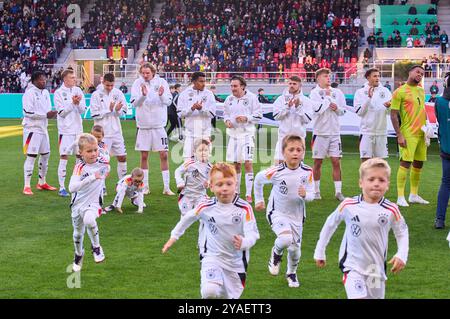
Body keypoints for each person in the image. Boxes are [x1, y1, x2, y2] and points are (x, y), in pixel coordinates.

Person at [314, 158, 409, 299]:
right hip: (352, 266)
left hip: (375, 269)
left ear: (388, 184)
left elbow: (402, 232)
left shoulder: (391, 209)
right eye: (371, 179)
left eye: (381, 180)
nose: (376, 183)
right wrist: (320, 251)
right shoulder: (348, 205)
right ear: (361, 183)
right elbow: (330, 223)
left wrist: (402, 254)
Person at [162, 163, 260, 299]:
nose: (224, 188)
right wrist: (174, 236)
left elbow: (253, 234)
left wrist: (244, 242)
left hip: (236, 263)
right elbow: (188, 218)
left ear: (236, 185)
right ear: (211, 186)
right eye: (219, 185)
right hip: (212, 256)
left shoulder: (244, 208)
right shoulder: (206, 206)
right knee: (210, 292)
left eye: (229, 184)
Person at [254, 135, 314, 288]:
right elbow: (258, 179)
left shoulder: (307, 172)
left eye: (299, 150)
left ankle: (291, 273)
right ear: (283, 152)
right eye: (291, 149)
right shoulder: (276, 171)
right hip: (277, 213)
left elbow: (312, 194)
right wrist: (259, 200)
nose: (295, 153)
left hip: (297, 216)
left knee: (295, 250)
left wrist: (305, 195)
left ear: (303, 152)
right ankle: (276, 253)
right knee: (286, 239)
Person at [130, 63, 174, 196]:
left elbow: (168, 101)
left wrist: (161, 95)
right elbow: (134, 103)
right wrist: (143, 95)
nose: (145, 75)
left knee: (164, 155)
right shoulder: (137, 83)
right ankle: (146, 186)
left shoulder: (162, 82)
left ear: (153, 72)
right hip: (143, 126)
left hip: (159, 125)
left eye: (147, 73)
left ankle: (166, 187)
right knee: (144, 156)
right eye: (143, 73)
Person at [69, 133, 110, 272]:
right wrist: (92, 177)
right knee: (77, 234)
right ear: (80, 153)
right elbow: (72, 188)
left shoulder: (103, 160)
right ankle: (78, 254)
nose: (93, 153)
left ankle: (97, 247)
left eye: (95, 150)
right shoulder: (79, 167)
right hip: (77, 204)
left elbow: (107, 166)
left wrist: (103, 173)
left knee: (89, 220)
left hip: (94, 202)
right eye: (89, 151)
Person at [390, 65, 429, 207]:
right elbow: (393, 114)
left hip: (422, 133)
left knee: (419, 163)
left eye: (422, 74)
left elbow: (422, 109)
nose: (420, 75)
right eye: (418, 72)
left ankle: (413, 194)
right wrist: (399, 135)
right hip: (408, 133)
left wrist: (427, 128)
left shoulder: (421, 90)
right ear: (410, 72)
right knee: (405, 163)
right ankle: (400, 196)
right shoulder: (399, 92)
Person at [309, 68, 346, 201]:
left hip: (335, 133)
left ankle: (338, 192)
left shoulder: (338, 92)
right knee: (318, 162)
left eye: (329, 76)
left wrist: (338, 109)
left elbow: (343, 111)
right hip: (320, 133)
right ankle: (316, 191)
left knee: (336, 161)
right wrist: (328, 97)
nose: (328, 78)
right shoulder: (314, 93)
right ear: (318, 78)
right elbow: (317, 109)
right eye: (325, 76)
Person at [223, 75, 262, 203]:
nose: (233, 88)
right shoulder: (228, 99)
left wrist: (246, 118)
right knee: (236, 165)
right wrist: (227, 121)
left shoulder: (252, 98)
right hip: (233, 135)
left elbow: (258, 115)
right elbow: (225, 114)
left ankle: (248, 194)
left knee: (248, 162)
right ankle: (237, 191)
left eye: (235, 86)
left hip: (247, 135)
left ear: (242, 86)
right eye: (231, 86)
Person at [22, 71, 58, 195]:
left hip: (43, 128)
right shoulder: (29, 93)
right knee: (31, 156)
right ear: (34, 81)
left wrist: (52, 114)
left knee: (46, 155)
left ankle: (42, 182)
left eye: (44, 79)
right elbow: (27, 112)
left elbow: (47, 110)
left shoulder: (46, 93)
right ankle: (26, 185)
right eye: (41, 80)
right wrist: (45, 115)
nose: (44, 81)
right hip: (31, 129)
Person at [90, 73, 128, 183]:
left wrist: (117, 110)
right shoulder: (96, 95)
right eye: (107, 85)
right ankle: (101, 185)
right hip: (101, 134)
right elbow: (94, 114)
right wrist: (109, 110)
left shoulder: (118, 93)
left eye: (112, 85)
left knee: (122, 157)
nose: (110, 87)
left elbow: (124, 111)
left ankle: (122, 184)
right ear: (103, 82)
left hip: (116, 132)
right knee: (101, 160)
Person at [54, 69, 86, 197]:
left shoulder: (78, 90)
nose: (74, 79)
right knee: (64, 156)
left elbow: (83, 110)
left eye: (74, 77)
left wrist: (77, 104)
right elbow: (61, 113)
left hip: (78, 130)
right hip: (65, 131)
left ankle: (77, 185)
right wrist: (72, 104)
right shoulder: (58, 93)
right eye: (72, 77)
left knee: (79, 157)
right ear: (65, 79)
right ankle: (62, 187)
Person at [353, 68, 392, 161]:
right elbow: (359, 112)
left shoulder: (385, 91)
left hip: (381, 133)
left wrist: (388, 107)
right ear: (368, 77)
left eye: (378, 76)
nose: (377, 78)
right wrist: (368, 98)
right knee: (366, 162)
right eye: (375, 76)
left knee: (381, 163)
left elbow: (390, 112)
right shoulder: (360, 92)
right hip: (366, 133)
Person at [272, 76, 314, 163]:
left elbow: (307, 119)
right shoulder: (280, 99)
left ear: (300, 85)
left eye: (294, 84)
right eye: (290, 83)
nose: (291, 86)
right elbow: (276, 116)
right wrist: (287, 107)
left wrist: (298, 107)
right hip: (283, 137)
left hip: (298, 139)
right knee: (279, 164)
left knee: (296, 167)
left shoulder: (307, 101)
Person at [177, 72, 216, 160]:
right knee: (187, 161)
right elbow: (180, 113)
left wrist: (201, 109)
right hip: (190, 133)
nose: (203, 84)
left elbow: (212, 114)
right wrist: (192, 108)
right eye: (201, 81)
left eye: (204, 81)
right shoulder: (184, 94)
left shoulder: (209, 94)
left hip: (204, 133)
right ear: (194, 82)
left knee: (204, 161)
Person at [175, 139, 212, 216]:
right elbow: (178, 171)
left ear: (209, 152)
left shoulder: (210, 167)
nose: (203, 152)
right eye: (200, 150)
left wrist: (208, 183)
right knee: (184, 216)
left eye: (205, 150)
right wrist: (180, 182)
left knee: (204, 216)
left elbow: (211, 180)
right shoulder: (190, 163)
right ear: (195, 152)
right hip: (187, 194)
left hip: (200, 195)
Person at [434, 72, 450, 229]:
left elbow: (439, 120)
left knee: (446, 183)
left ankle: (440, 219)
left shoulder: (439, 102)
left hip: (447, 149)